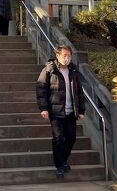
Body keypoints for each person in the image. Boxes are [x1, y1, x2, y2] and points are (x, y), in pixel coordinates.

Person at [36, 45, 85, 179]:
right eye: (64, 55)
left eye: (69, 56)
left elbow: (79, 91)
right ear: (57, 56)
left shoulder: (73, 70)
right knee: (58, 138)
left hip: (71, 111)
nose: (67, 58)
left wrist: (81, 110)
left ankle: (62, 160)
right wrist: (44, 108)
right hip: (55, 111)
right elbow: (41, 89)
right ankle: (59, 166)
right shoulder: (49, 70)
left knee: (71, 138)